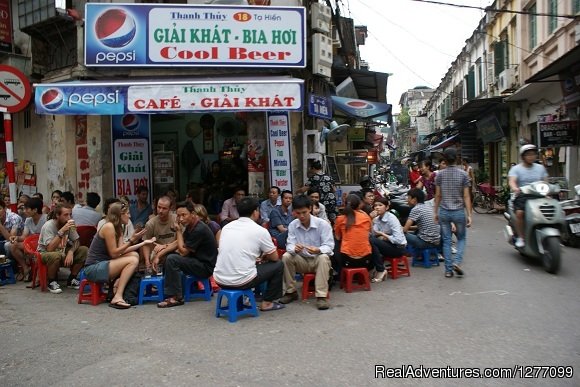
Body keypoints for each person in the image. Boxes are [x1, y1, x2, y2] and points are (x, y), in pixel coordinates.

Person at [213, 197, 285, 312]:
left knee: (252, 265)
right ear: (255, 212)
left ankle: (246, 298)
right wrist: (263, 256)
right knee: (278, 265)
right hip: (242, 281)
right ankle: (268, 303)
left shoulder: (227, 227)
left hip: (220, 279)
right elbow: (274, 257)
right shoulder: (259, 230)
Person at [84, 202, 155, 309]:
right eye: (127, 213)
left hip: (105, 265)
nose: (130, 216)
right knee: (133, 260)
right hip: (93, 268)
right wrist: (132, 240)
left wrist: (143, 243)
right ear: (119, 215)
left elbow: (122, 251)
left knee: (134, 255)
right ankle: (117, 296)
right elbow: (114, 253)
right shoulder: (109, 227)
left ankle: (117, 288)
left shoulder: (119, 228)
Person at [157, 201, 218, 308]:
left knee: (172, 259)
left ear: (193, 214)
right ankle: (170, 290)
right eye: (178, 215)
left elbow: (183, 251)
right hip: (196, 261)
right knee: (169, 256)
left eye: (184, 215)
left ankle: (175, 297)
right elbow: (178, 243)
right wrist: (159, 255)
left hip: (205, 267)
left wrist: (179, 231)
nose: (180, 219)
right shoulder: (191, 226)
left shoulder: (199, 229)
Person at [280, 195, 334, 310]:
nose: (302, 216)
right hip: (302, 260)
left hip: (318, 260)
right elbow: (289, 244)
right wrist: (294, 248)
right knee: (286, 256)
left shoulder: (322, 224)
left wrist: (318, 249)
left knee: (324, 257)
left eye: (304, 212)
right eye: (298, 213)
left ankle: (321, 296)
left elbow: (329, 246)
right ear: (294, 212)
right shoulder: (293, 225)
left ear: (310, 208)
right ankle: (291, 292)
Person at [434, 148, 472, 278]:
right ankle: (457, 262)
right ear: (457, 158)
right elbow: (466, 196)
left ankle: (448, 270)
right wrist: (469, 215)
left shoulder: (440, 175)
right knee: (461, 238)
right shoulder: (463, 174)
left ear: (444, 159)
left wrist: (435, 212)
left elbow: (438, 196)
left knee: (446, 240)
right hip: (458, 212)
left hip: (444, 211)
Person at [37, 204, 88, 294]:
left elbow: (77, 241)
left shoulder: (68, 223)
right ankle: (52, 281)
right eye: (65, 215)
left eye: (70, 214)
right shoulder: (49, 225)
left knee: (84, 250)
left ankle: (72, 279)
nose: (68, 217)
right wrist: (62, 231)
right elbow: (49, 248)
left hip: (62, 252)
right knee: (55, 255)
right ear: (57, 215)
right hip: (45, 254)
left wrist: (71, 252)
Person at [508, 144, 548, 248]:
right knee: (520, 213)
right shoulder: (516, 169)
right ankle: (521, 237)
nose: (531, 156)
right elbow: (512, 181)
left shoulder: (540, 168)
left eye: (533, 154)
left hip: (539, 195)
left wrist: (548, 191)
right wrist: (515, 188)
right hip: (523, 195)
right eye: (528, 154)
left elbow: (546, 182)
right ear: (523, 156)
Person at [5, 198, 47, 282]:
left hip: (43, 246)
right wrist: (16, 237)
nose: (24, 211)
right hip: (31, 245)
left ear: (35, 210)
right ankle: (26, 268)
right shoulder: (28, 220)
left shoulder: (46, 219)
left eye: (27, 208)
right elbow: (24, 236)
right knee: (12, 245)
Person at [369, 197, 407, 282]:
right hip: (388, 245)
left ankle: (381, 270)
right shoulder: (377, 219)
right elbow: (373, 233)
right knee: (370, 239)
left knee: (372, 241)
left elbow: (398, 239)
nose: (377, 207)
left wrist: (384, 235)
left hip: (398, 248)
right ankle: (374, 268)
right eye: (375, 206)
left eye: (380, 205)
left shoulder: (391, 218)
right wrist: (371, 220)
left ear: (386, 207)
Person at [334, 194, 374, 274]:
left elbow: (338, 237)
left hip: (347, 260)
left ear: (345, 204)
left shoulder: (340, 219)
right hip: (366, 260)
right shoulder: (365, 217)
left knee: (334, 242)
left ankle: (338, 273)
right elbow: (371, 231)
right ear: (359, 205)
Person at [141, 196, 178, 275]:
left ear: (170, 208)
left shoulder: (176, 220)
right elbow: (146, 243)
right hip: (158, 253)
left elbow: (181, 241)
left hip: (175, 250)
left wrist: (165, 246)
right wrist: (147, 262)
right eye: (159, 207)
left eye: (164, 208)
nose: (160, 211)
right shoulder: (151, 223)